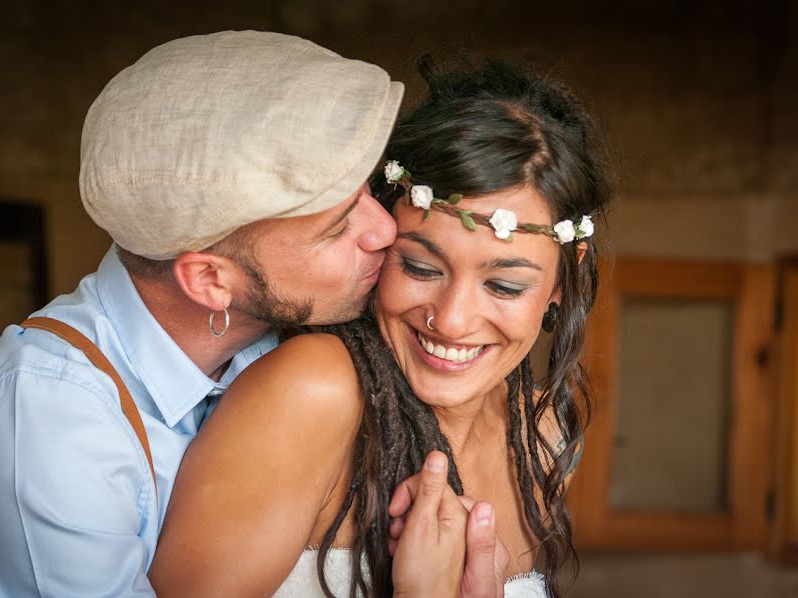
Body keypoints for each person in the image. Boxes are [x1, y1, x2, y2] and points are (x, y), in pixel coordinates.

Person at [0, 32, 498, 597]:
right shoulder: (47, 417)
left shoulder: (305, 336)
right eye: (337, 227)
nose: (384, 230)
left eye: (368, 193)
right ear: (209, 280)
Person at [149, 56, 612, 597]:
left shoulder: (546, 436)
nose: (452, 319)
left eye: (504, 286)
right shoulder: (310, 390)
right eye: (419, 267)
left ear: (563, 278)